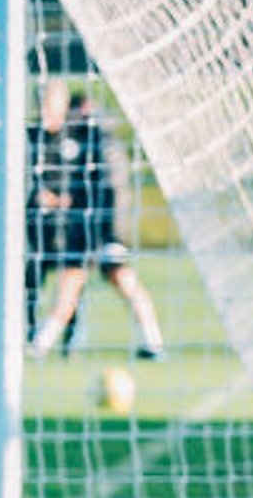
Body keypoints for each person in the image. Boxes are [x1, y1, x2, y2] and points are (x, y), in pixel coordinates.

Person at [26, 78, 167, 360]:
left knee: (122, 281)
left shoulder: (104, 146)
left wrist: (111, 232)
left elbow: (114, 191)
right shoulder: (75, 142)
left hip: (105, 230)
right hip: (83, 230)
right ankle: (40, 345)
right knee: (71, 284)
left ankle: (153, 342)